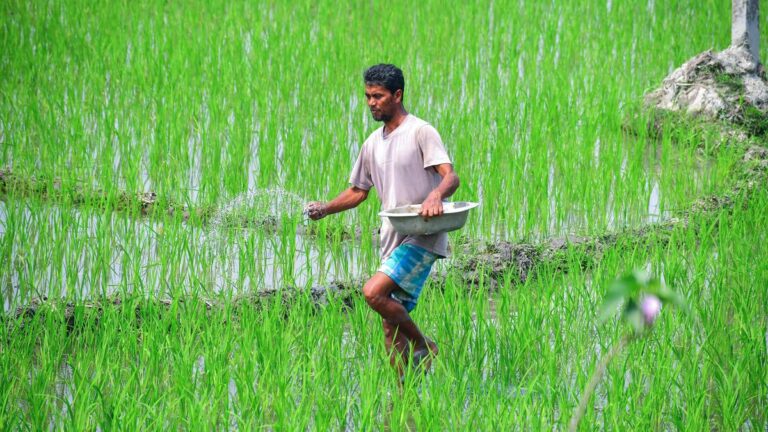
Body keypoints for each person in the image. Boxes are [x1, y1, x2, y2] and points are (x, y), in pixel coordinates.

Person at [305, 64, 460, 377]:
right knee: (390, 328)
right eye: (367, 96)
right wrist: (326, 208)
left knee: (373, 292)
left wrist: (435, 197)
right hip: (393, 237)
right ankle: (403, 401)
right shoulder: (372, 143)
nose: (371, 103)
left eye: (378, 96)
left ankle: (424, 345)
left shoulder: (420, 131)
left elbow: (450, 177)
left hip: (423, 234)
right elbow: (358, 191)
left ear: (397, 95)